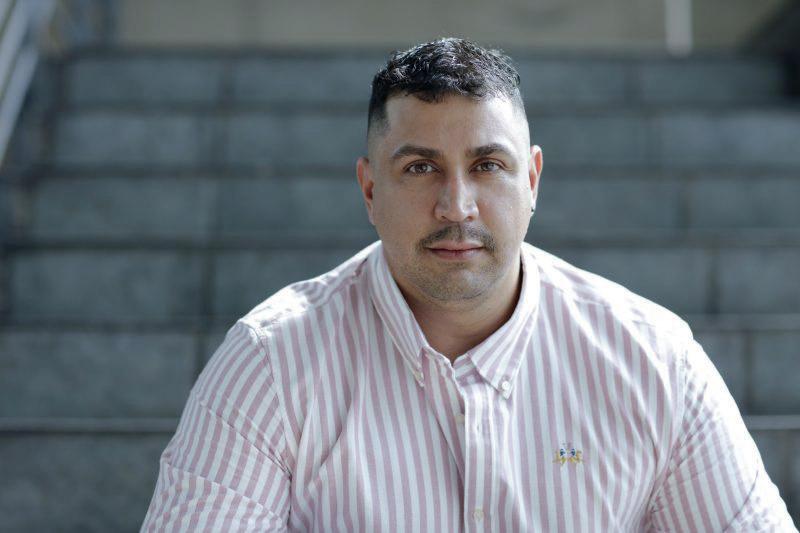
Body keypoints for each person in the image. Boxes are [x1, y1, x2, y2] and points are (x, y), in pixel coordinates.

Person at [140, 38, 797, 532]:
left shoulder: (654, 361)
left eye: (487, 165)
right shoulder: (270, 364)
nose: (456, 205)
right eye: (420, 168)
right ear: (369, 189)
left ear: (531, 180)